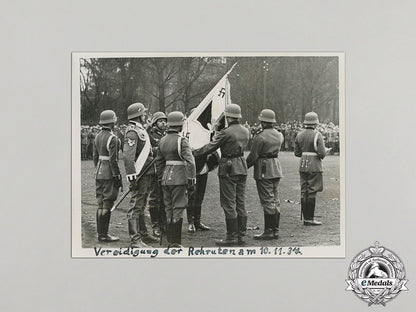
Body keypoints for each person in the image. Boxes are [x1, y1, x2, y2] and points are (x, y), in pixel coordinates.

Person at [193, 103, 249, 246]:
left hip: (229, 167)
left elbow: (211, 147)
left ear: (228, 117)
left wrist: (194, 152)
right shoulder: (245, 130)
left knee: (228, 202)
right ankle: (241, 235)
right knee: (240, 201)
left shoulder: (226, 132)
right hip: (242, 165)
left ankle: (231, 237)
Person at [155, 111, 196, 247]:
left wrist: (161, 178)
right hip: (179, 177)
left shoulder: (162, 140)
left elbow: (159, 162)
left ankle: (170, 240)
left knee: (168, 209)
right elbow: (191, 162)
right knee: (178, 208)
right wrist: (191, 179)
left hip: (166, 178)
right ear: (180, 124)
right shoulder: (182, 140)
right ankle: (175, 243)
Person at [123, 103, 159, 247]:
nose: (145, 115)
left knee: (142, 203)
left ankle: (143, 234)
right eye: (143, 113)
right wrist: (132, 177)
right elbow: (128, 156)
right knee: (136, 205)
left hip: (147, 171)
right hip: (140, 173)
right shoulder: (132, 131)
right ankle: (135, 239)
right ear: (139, 115)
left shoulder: (140, 130)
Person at [246, 109, 283, 240]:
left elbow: (253, 156)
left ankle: (269, 231)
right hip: (276, 167)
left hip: (264, 169)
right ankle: (275, 230)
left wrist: (244, 166)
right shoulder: (279, 135)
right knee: (275, 199)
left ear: (262, 121)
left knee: (267, 200)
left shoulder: (260, 136)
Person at [294, 112, 330, 225]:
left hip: (303, 165)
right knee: (312, 191)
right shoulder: (317, 135)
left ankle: (306, 219)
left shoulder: (299, 134)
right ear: (315, 123)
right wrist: (326, 151)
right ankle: (310, 219)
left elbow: (297, 153)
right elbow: (322, 154)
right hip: (314, 165)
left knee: (304, 191)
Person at [93, 110, 123, 242]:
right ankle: (104, 234)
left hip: (99, 170)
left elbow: (95, 156)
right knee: (107, 202)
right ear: (112, 121)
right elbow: (113, 160)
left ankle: (101, 233)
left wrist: (98, 169)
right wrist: (117, 176)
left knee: (100, 203)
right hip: (109, 172)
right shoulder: (113, 138)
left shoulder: (97, 136)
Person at [147, 111, 168, 237]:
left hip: (166, 169)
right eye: (160, 121)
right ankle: (155, 225)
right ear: (155, 122)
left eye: (165, 121)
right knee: (155, 198)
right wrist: (159, 149)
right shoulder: (149, 135)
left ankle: (163, 223)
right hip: (154, 170)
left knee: (165, 198)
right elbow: (147, 150)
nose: (163, 123)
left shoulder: (167, 134)